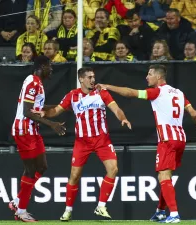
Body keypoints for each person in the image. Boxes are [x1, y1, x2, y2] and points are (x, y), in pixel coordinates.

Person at [96, 64, 196, 223]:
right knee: (165, 175)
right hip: (180, 138)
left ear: (159, 77)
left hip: (167, 139)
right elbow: (194, 113)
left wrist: (107, 86)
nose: (146, 77)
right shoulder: (179, 93)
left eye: (149, 74)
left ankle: (174, 215)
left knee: (163, 176)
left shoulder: (157, 92)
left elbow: (130, 92)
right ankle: (160, 211)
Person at [33, 67, 131, 221]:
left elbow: (116, 109)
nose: (93, 80)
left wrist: (122, 118)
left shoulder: (101, 93)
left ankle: (101, 206)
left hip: (102, 140)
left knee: (113, 169)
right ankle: (68, 210)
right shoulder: (72, 95)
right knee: (74, 175)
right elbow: (57, 110)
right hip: (82, 142)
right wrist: (46, 113)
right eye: (89, 77)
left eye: (93, 77)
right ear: (81, 79)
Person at [9, 55, 66, 222]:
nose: (52, 69)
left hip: (32, 129)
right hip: (24, 129)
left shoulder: (36, 82)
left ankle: (18, 201)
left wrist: (62, 107)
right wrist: (51, 124)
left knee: (42, 167)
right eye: (50, 66)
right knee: (31, 170)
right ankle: (21, 211)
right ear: (41, 66)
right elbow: (27, 111)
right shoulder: (33, 82)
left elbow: (38, 108)